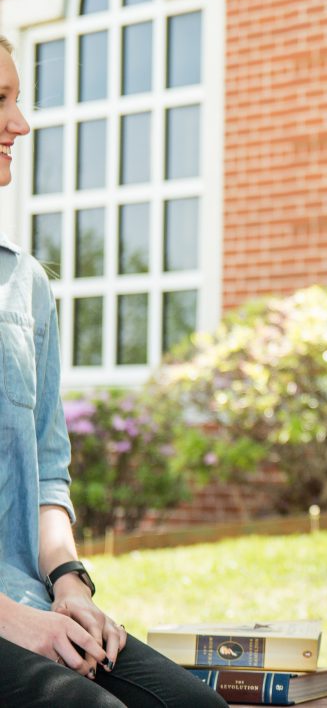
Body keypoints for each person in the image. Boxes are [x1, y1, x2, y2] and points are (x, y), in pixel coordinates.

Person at [0, 36, 227, 707]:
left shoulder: (26, 288)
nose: (21, 122)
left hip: (33, 603)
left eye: (17, 98)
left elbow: (45, 469)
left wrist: (69, 586)